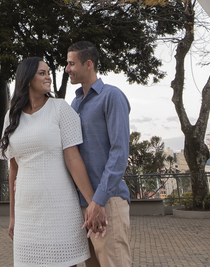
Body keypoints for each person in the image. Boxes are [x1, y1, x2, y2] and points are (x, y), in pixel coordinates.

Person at [2, 57, 98, 267]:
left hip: (59, 209)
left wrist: (93, 203)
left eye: (48, 73)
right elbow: (13, 169)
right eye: (42, 73)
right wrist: (13, 216)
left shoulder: (60, 108)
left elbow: (73, 158)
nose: (48, 78)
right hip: (26, 212)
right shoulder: (12, 117)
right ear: (27, 78)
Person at [67, 41, 132, 267]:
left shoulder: (112, 96)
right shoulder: (75, 103)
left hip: (108, 201)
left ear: (88, 64)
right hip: (84, 204)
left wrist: (98, 200)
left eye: (71, 63)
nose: (67, 69)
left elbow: (119, 152)